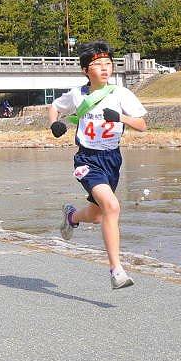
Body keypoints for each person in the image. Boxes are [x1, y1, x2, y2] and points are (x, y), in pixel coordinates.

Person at [48, 41, 147, 290]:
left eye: (108, 64)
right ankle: (117, 270)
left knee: (96, 215)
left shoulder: (121, 94)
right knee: (112, 207)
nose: (105, 68)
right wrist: (54, 125)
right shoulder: (77, 94)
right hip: (87, 160)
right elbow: (55, 108)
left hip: (112, 159)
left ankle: (71, 216)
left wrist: (121, 117)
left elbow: (142, 125)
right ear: (85, 70)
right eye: (98, 64)